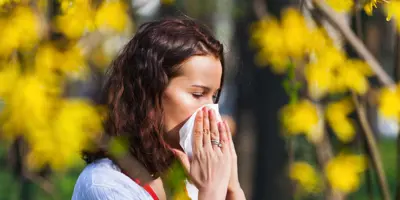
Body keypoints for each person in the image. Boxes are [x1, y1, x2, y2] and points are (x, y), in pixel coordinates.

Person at [72, 18, 245, 200]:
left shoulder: (188, 177)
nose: (211, 113)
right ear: (150, 91)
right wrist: (211, 192)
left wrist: (232, 191)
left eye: (214, 97)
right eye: (197, 94)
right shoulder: (105, 186)